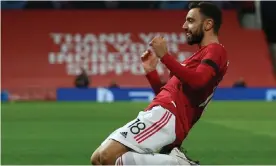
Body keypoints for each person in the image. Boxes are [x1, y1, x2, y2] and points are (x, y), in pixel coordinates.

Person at [91, 1, 229, 165]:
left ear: (208, 24)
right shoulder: (195, 59)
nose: (184, 26)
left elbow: (199, 81)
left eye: (191, 21)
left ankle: (178, 163)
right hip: (160, 111)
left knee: (107, 157)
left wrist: (165, 56)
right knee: (98, 159)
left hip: (167, 115)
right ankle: (175, 161)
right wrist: (151, 73)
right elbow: (169, 93)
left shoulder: (215, 50)